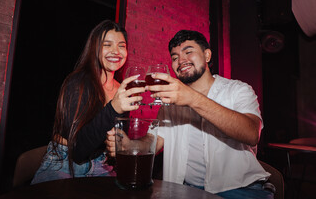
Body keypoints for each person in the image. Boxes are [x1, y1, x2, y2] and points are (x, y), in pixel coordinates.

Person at [106, 30, 273, 199]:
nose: (181, 60)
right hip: (185, 191)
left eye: (188, 51)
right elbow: (152, 142)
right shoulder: (170, 103)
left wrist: (191, 98)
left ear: (207, 55)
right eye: (175, 57)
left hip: (241, 190)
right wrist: (129, 146)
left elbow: (252, 134)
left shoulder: (238, 90)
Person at [31, 20, 145, 184]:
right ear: (94, 48)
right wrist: (114, 107)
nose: (116, 51)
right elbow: (78, 151)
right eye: (107, 44)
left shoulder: (121, 89)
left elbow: (118, 135)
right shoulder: (78, 83)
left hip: (101, 164)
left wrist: (117, 146)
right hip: (64, 162)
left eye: (121, 45)